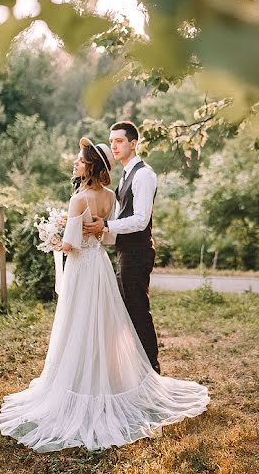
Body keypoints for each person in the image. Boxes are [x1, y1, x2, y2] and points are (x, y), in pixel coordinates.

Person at [0, 137, 208, 453]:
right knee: (104, 323)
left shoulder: (79, 198)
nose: (75, 164)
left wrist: (53, 240)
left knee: (78, 323)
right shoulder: (109, 197)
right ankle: (106, 376)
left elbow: (71, 245)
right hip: (101, 267)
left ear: (90, 166)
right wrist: (77, 234)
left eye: (79, 160)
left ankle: (80, 380)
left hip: (81, 269)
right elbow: (107, 235)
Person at [82, 121, 161, 374]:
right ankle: (137, 371)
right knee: (127, 313)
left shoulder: (144, 175)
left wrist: (105, 225)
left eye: (119, 141)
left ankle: (152, 373)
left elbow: (140, 220)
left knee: (138, 312)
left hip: (137, 253)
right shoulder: (126, 174)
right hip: (125, 252)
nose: (114, 145)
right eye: (112, 140)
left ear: (133, 144)